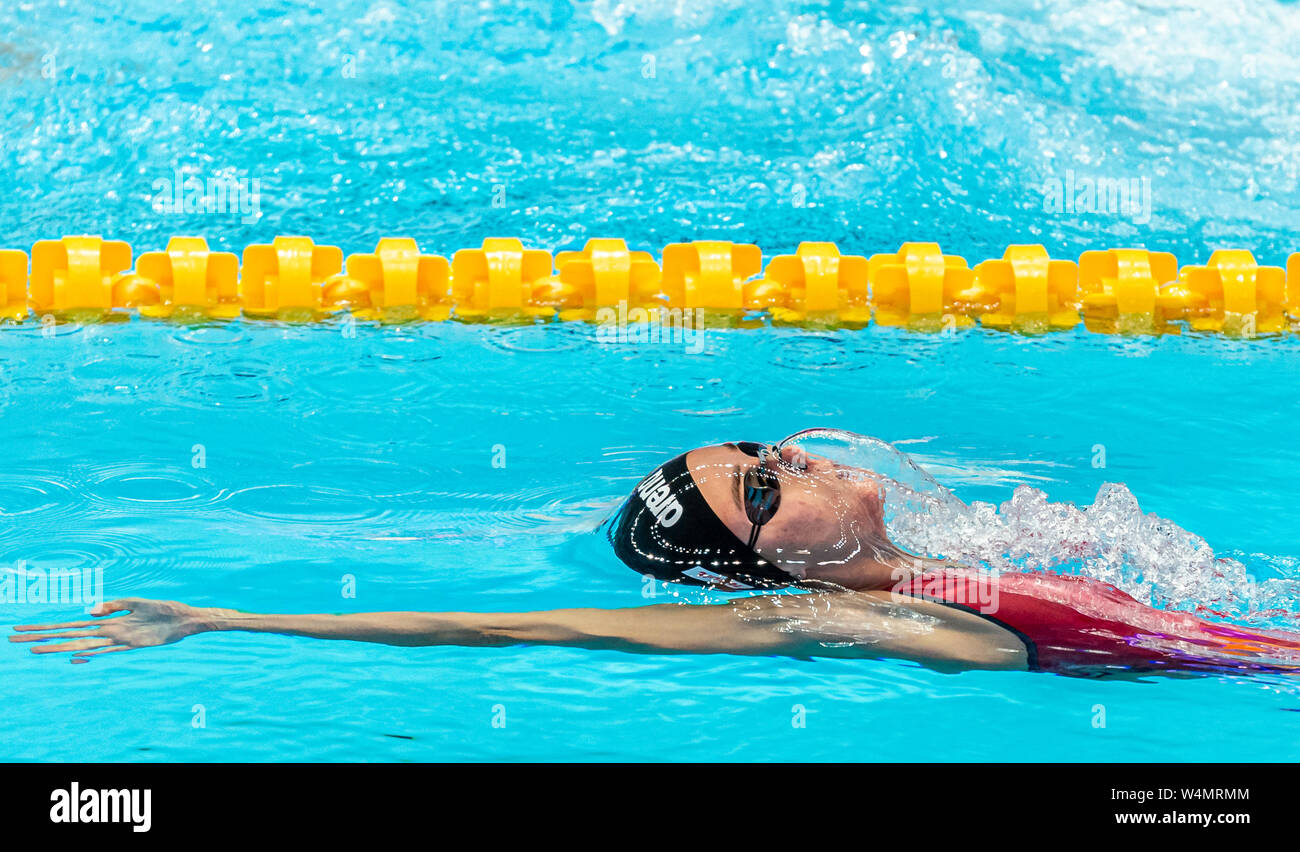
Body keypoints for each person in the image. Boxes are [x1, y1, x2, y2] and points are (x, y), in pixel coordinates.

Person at [13, 440, 1300, 678]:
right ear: (753, 566)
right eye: (760, 488)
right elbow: (525, 632)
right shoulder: (834, 622)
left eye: (759, 448)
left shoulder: (956, 546)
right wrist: (225, 619)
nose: (788, 457)